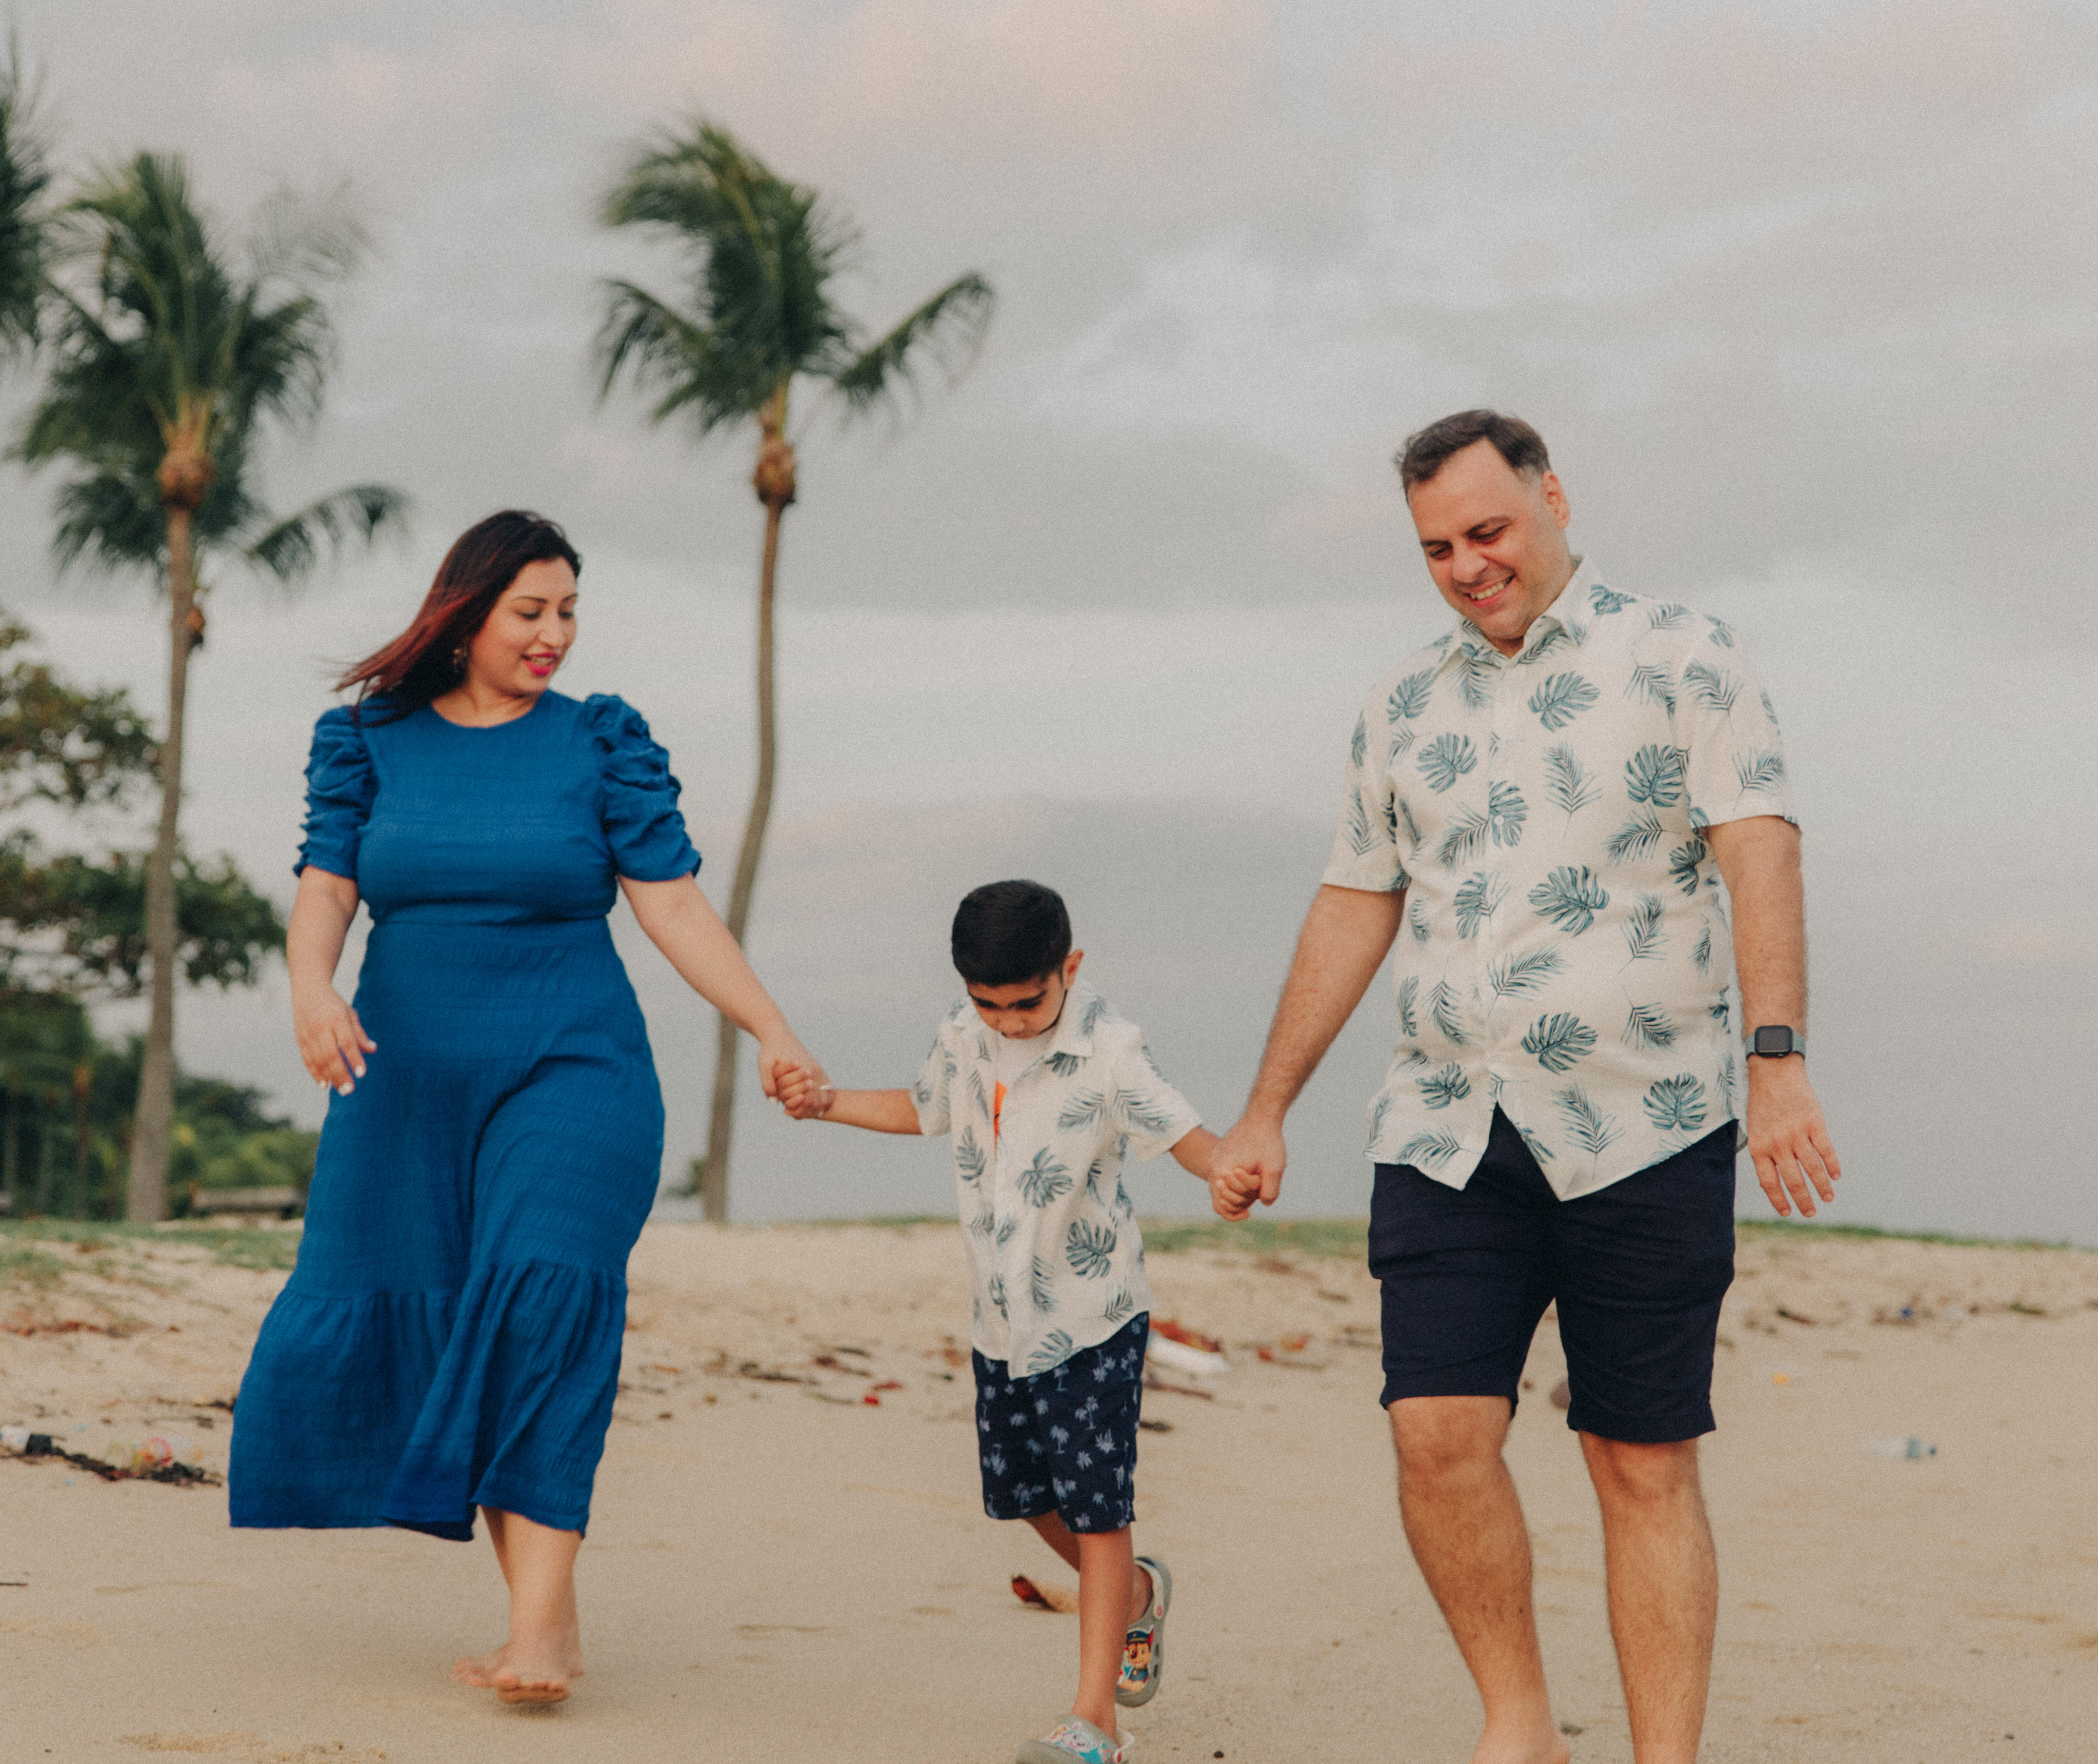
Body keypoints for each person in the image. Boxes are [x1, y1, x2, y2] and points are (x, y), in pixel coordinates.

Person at [1210, 411, 1838, 1764]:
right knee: (1435, 1435)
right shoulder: (1401, 705)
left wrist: (1778, 1059)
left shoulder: (1684, 655)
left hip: (1646, 1121)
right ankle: (1521, 1727)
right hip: (1446, 1128)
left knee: (1639, 1460)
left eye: (1487, 530)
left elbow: (1760, 851)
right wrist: (1266, 1107)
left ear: (1553, 495)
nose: (1467, 565)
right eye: (1437, 548)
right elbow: (1352, 901)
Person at [228, 509, 826, 1708]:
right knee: (464, 1319)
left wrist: (771, 1025)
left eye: (569, 613)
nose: (555, 635)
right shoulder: (367, 740)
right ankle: (546, 1615)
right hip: (406, 1085)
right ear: (465, 615)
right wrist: (310, 989)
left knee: (542, 1292)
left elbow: (672, 906)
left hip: (576, 1069)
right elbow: (327, 888)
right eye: (531, 612)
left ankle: (540, 1630)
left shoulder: (599, 744)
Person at [777, 880, 1245, 1764]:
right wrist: (826, 1101)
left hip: (1094, 1318)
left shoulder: (1110, 1048)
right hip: (1002, 1321)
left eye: (1027, 1003)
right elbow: (924, 1108)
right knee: (1024, 1499)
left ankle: (1095, 1722)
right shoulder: (965, 1035)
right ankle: (1137, 1599)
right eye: (989, 1003)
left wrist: (1228, 1169)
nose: (1009, 1022)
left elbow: (1185, 1133)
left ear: (1070, 968)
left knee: (1099, 1512)